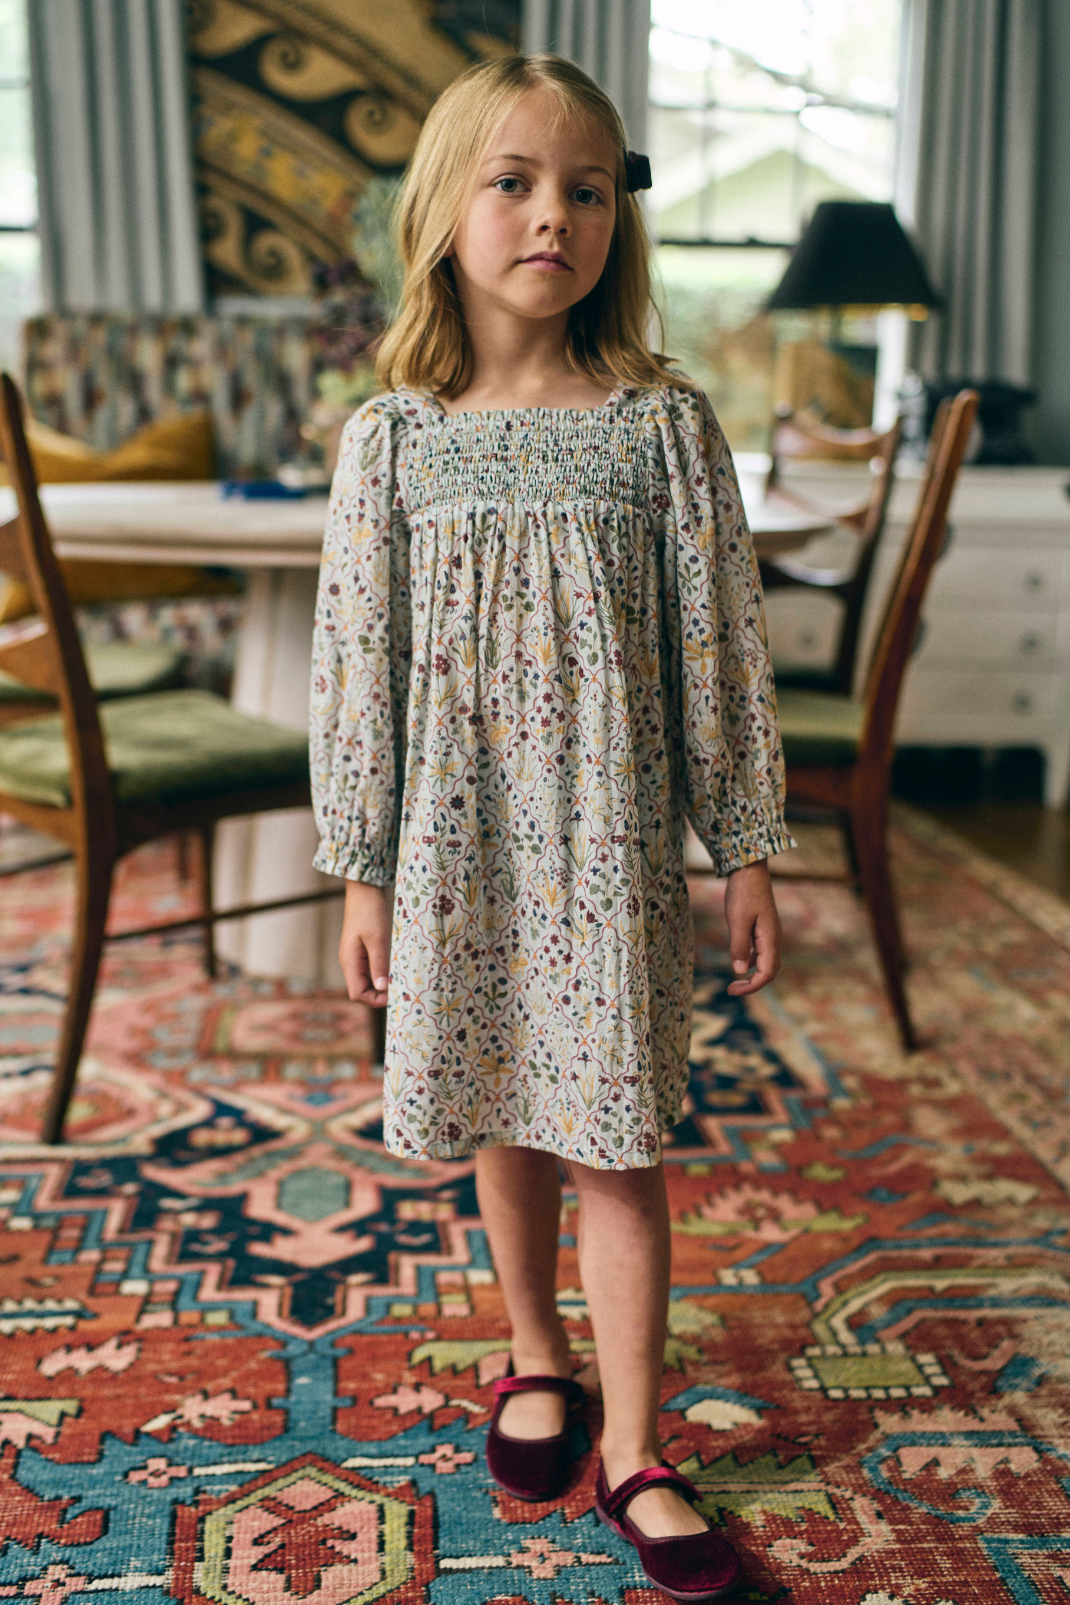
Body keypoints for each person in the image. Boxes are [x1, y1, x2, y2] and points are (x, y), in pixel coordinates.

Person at [310, 52, 791, 1603]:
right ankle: (534, 1352)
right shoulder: (395, 438)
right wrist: (361, 868)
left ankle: (636, 1445)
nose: (551, 217)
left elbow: (718, 648)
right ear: (442, 210)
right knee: (499, 1110)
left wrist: (745, 843)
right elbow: (355, 665)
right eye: (513, 182)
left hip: (606, 849)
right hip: (455, 849)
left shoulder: (660, 428)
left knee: (614, 1140)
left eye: (586, 190)